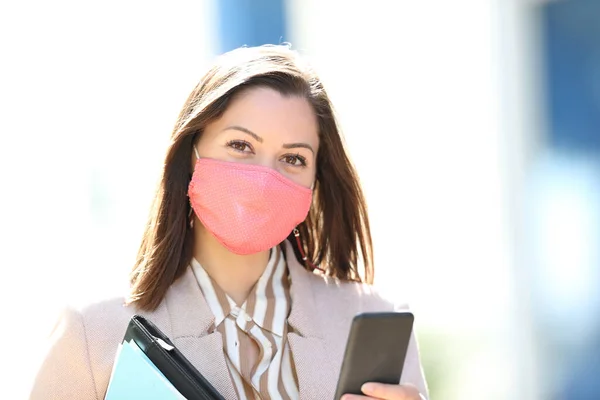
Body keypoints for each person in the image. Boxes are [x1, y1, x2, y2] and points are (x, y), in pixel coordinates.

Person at [29, 44, 429, 400]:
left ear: (315, 182)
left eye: (294, 159)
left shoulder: (375, 326)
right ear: (191, 154)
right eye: (241, 145)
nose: (265, 178)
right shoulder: (93, 333)